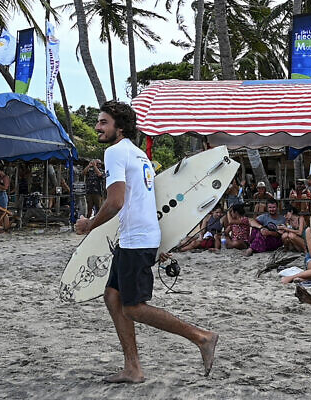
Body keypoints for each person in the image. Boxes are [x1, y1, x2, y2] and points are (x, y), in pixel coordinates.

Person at [74, 100, 217, 383]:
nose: (97, 127)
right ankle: (133, 368)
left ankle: (202, 337)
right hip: (136, 237)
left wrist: (90, 224)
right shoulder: (139, 155)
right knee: (113, 297)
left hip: (136, 239)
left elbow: (115, 201)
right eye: (98, 121)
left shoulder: (115, 152)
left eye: (104, 122)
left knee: (133, 306)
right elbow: (144, 200)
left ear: (120, 127)